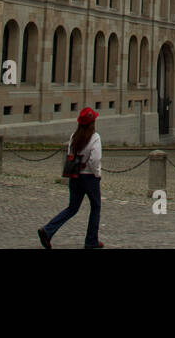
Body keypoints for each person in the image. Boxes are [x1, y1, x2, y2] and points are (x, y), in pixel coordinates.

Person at [38, 107, 103, 249]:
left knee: (72, 208)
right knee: (96, 207)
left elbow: (70, 154)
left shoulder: (74, 136)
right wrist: (97, 174)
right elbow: (95, 160)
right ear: (92, 123)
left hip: (75, 176)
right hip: (89, 178)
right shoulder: (95, 137)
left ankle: (48, 230)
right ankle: (91, 241)